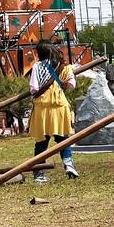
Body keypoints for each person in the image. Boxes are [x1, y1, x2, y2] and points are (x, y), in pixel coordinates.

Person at [27, 43, 78, 182]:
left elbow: (33, 88)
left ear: (39, 53)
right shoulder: (64, 67)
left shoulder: (37, 66)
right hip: (59, 106)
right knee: (63, 139)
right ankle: (68, 165)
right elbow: (71, 85)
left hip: (42, 107)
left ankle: (39, 174)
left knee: (41, 143)